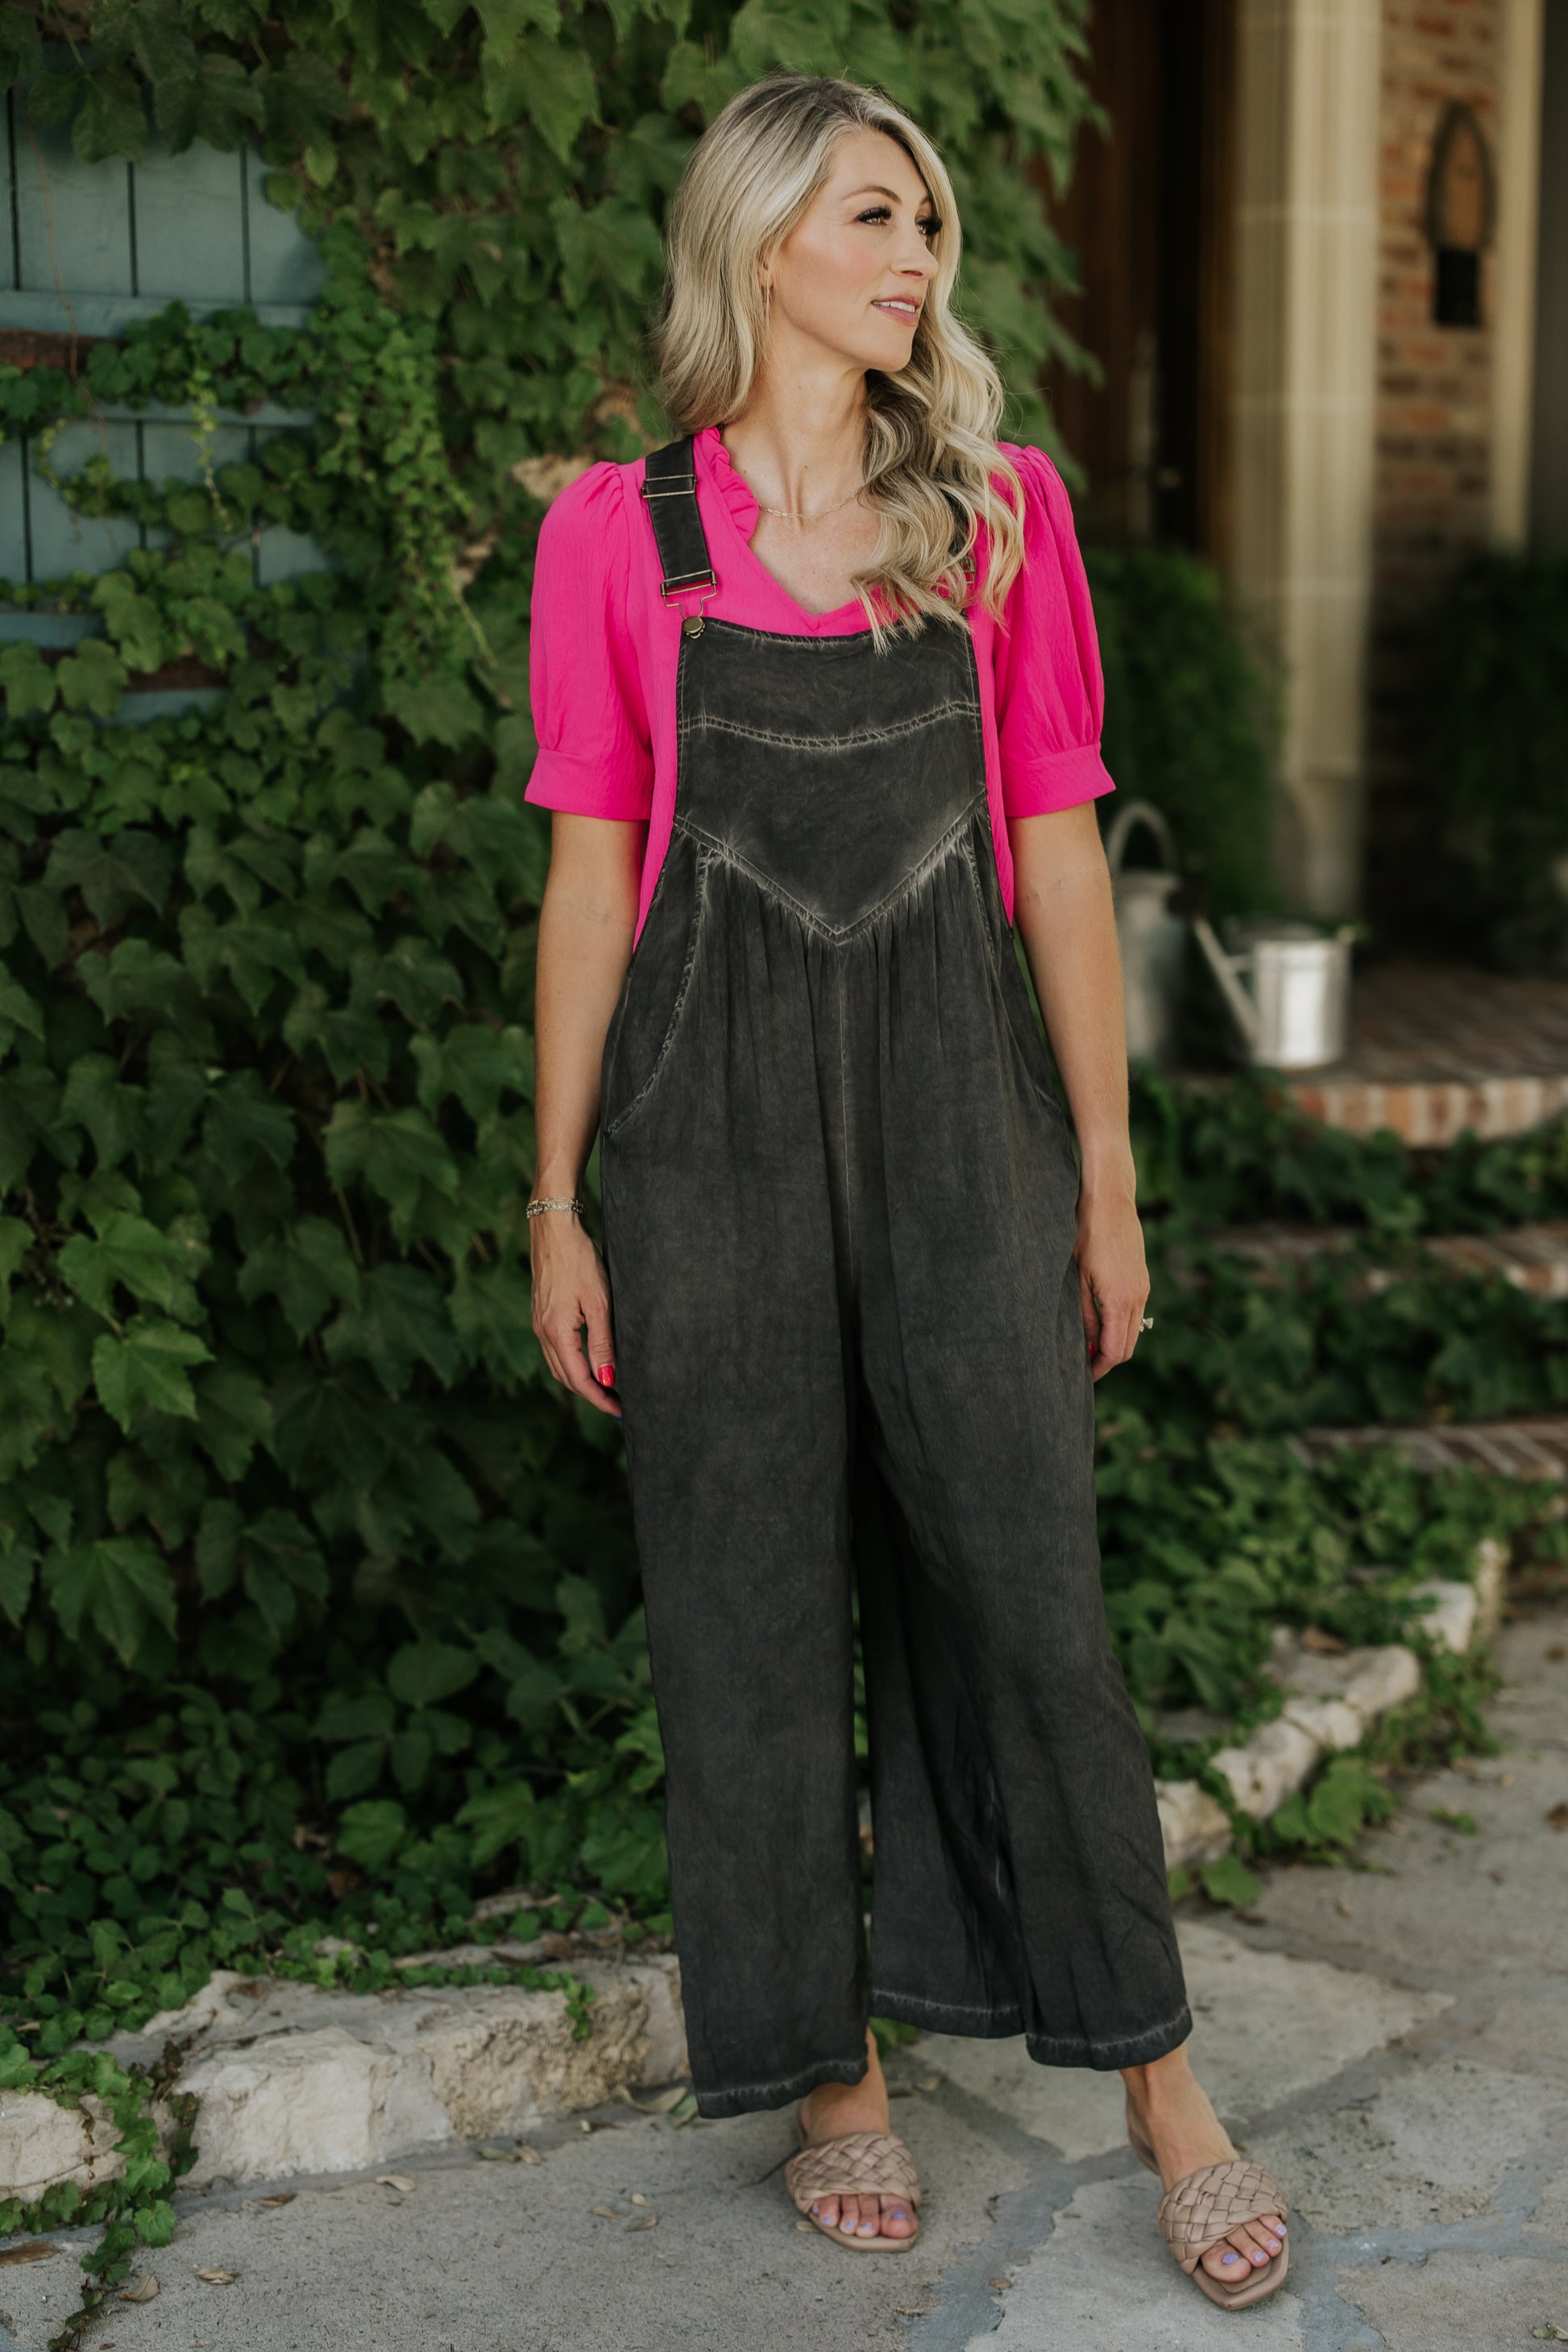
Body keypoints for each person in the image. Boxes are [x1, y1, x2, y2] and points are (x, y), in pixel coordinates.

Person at [525, 72, 1288, 2310]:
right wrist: (555, 1198)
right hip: (704, 1122)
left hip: (966, 1110)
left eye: (927, 222)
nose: (916, 255)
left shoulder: (998, 515)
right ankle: (829, 2075)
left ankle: (1160, 2082)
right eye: (872, 214)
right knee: (745, 1597)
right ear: (760, 237)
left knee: (1028, 1585)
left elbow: (1055, 851)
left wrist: (1105, 1178)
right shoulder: (619, 533)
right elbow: (590, 879)